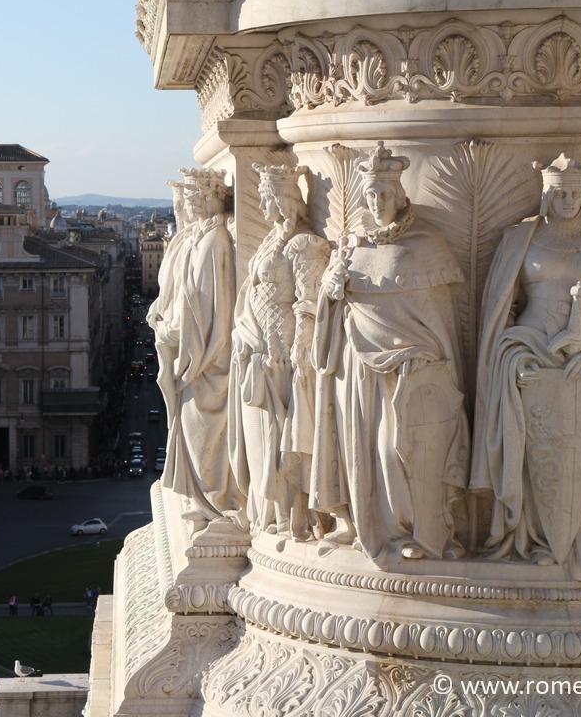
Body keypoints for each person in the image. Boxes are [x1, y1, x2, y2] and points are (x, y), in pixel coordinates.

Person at [473, 154, 581, 567]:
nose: (567, 200)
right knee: (534, 453)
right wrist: (512, 359)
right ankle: (535, 540)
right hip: (530, 354)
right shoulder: (520, 239)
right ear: (547, 193)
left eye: (575, 192)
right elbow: (503, 309)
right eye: (559, 192)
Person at [312, 143, 470, 565]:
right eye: (370, 195)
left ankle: (413, 530)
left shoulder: (426, 244)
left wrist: (428, 356)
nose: (376, 202)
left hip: (409, 373)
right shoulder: (351, 245)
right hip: (358, 368)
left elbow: (438, 321)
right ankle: (368, 527)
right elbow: (331, 308)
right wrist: (330, 293)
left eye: (384, 193)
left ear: (400, 196)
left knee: (395, 450)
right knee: (361, 451)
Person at [229, 163, 329, 539]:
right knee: (261, 443)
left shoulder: (303, 244)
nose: (263, 204)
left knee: (285, 438)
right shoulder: (273, 239)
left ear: (284, 199)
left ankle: (293, 518)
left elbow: (309, 304)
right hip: (257, 355)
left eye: (268, 197)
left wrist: (298, 354)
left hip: (283, 360)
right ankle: (270, 515)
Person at [162, 168, 241, 526]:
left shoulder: (214, 242)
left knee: (201, 426)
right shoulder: (202, 238)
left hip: (207, 357)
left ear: (210, 199)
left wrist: (173, 333)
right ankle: (206, 497)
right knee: (195, 426)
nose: (187, 207)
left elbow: (206, 308)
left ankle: (213, 500)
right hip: (199, 353)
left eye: (193, 200)